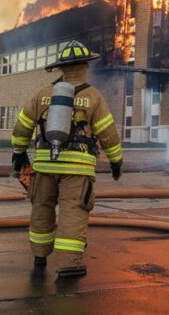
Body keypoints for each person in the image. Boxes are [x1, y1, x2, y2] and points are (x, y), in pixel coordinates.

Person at [10, 40, 123, 278]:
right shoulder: (93, 97)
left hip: (43, 165)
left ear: (62, 67)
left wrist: (18, 153)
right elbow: (108, 134)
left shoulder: (43, 94)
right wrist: (116, 161)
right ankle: (69, 264)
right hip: (77, 168)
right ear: (85, 66)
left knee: (41, 207)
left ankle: (40, 256)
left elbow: (22, 127)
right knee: (73, 211)